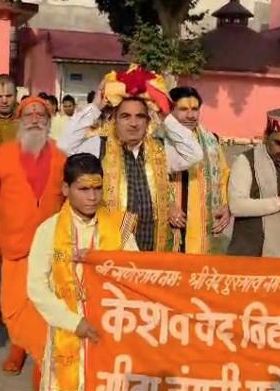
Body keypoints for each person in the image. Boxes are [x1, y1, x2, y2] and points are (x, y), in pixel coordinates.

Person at [58, 66, 203, 252]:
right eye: (125, 116)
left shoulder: (160, 150)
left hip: (154, 251)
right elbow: (64, 145)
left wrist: (165, 117)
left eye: (140, 117)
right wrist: (95, 106)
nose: (133, 123)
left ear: (148, 121)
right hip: (113, 251)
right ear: (114, 120)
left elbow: (194, 154)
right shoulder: (99, 147)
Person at [27, 153, 138, 391]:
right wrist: (73, 322)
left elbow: (135, 275)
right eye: (84, 189)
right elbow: (36, 287)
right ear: (66, 189)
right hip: (68, 329)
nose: (92, 197)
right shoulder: (49, 230)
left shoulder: (119, 228)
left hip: (110, 330)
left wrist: (101, 261)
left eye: (97, 188)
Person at [0, 96, 66, 381]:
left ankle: (39, 352)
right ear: (19, 121)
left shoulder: (61, 157)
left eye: (40, 115)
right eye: (29, 114)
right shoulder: (3, 154)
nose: (35, 119)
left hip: (48, 244)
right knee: (13, 303)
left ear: (49, 120)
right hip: (13, 241)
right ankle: (18, 347)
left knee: (42, 301)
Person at [228, 109, 280, 258]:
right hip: (249, 255)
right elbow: (236, 206)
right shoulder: (246, 161)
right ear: (266, 136)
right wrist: (279, 202)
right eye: (279, 143)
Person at [167, 86, 230, 254]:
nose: (191, 115)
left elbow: (224, 176)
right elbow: (149, 179)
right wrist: (167, 205)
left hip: (206, 231)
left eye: (195, 109)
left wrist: (227, 207)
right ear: (171, 111)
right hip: (172, 227)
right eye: (183, 109)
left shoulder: (211, 141)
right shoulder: (158, 141)